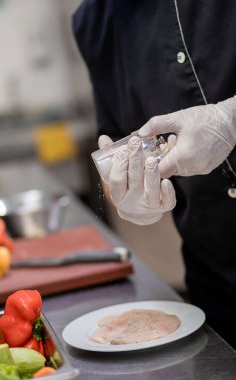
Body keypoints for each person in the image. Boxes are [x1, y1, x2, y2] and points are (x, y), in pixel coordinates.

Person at [72, 0, 236, 348]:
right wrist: (130, 198)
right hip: (219, 289)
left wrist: (231, 119)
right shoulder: (94, 23)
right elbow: (116, 145)